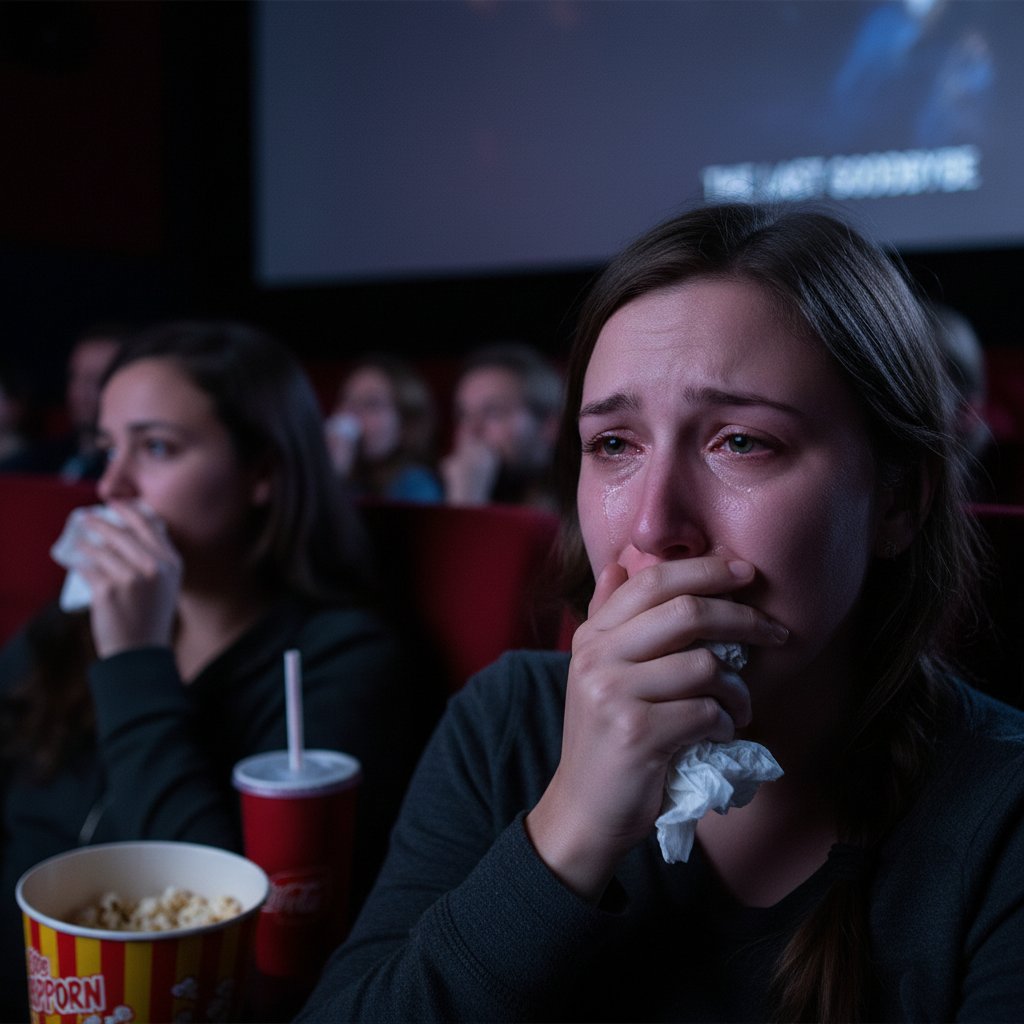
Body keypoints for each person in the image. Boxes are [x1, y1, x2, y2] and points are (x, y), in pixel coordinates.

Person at [296, 204, 1024, 1023]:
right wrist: (571, 824)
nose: (651, 526)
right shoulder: (507, 725)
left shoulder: (1001, 815)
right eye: (614, 445)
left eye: (741, 441)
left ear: (898, 499)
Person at [0, 321, 439, 1021]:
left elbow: (232, 935)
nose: (111, 486)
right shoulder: (67, 627)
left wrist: (135, 660)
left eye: (157, 448)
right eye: (107, 448)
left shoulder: (340, 660)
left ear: (263, 472)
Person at [441, 341, 563, 509]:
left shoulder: (578, 506)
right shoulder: (436, 491)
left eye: (493, 412)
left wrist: (466, 499)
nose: (472, 431)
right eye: (464, 415)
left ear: (550, 426)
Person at [1, 326, 124, 480]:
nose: (78, 392)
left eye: (95, 380)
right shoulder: (37, 460)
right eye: (74, 377)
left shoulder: (123, 474)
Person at [325, 353, 442, 503]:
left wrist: (334, 478)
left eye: (371, 404)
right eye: (347, 400)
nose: (352, 414)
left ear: (406, 423)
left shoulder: (416, 485)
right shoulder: (351, 478)